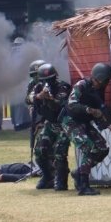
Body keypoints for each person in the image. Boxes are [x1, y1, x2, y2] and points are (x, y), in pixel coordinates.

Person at [62, 62, 111, 196]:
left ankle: (79, 172)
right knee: (89, 148)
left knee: (102, 149)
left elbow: (100, 112)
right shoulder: (81, 86)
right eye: (106, 80)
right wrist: (90, 110)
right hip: (71, 122)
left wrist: (110, 125)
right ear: (99, 78)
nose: (107, 83)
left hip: (84, 123)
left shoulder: (99, 92)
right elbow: (72, 105)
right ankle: (84, 185)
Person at [27, 62, 72, 191]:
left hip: (64, 124)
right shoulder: (38, 87)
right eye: (45, 80)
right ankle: (48, 176)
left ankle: (61, 180)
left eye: (50, 80)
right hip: (50, 123)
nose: (48, 83)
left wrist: (50, 99)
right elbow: (28, 99)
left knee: (59, 152)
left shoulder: (63, 87)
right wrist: (38, 96)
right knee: (40, 151)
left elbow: (60, 105)